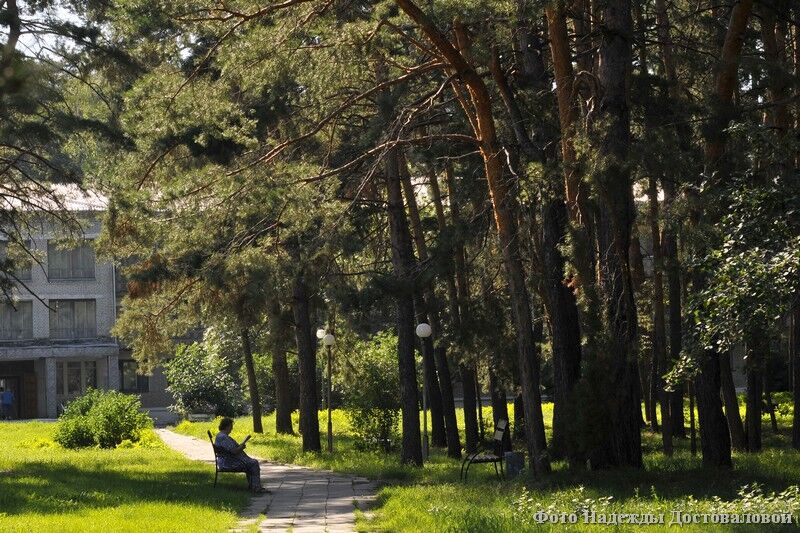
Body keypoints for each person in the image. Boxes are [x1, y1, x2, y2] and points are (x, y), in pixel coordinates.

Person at [214, 417, 269, 493]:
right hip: (229, 463)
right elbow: (234, 451)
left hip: (227, 461)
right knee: (253, 463)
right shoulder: (223, 437)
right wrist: (241, 447)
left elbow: (231, 450)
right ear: (228, 426)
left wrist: (240, 447)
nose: (232, 429)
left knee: (251, 462)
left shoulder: (220, 436)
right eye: (231, 426)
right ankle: (256, 488)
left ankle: (253, 486)